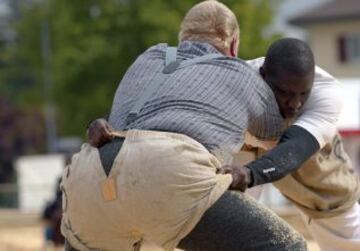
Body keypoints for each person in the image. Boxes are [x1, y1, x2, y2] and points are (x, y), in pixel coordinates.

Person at [62, 1, 317, 250]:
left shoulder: (146, 58)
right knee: (288, 246)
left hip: (91, 176)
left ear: (182, 38)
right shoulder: (241, 73)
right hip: (168, 172)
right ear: (234, 46)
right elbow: (277, 132)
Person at [231, 56, 360, 251]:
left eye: (303, 94)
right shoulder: (235, 81)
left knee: (340, 215)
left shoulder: (326, 91)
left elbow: (295, 148)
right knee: (229, 214)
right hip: (243, 145)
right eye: (285, 93)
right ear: (263, 76)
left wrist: (250, 174)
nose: (295, 104)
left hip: (307, 155)